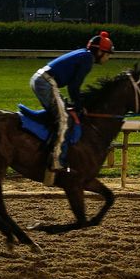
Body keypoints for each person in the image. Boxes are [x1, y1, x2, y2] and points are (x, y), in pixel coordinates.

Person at [30, 31, 114, 185]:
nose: (108, 58)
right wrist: (80, 106)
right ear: (100, 51)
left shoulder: (84, 55)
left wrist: (76, 104)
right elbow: (74, 87)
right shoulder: (87, 59)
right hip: (46, 83)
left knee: (62, 113)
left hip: (43, 80)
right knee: (65, 119)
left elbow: (72, 87)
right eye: (108, 54)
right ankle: (56, 162)